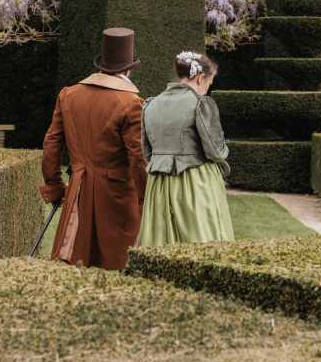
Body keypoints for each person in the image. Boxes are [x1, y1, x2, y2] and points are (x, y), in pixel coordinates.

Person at [40, 27, 147, 270]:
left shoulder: (68, 95)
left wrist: (55, 187)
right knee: (119, 266)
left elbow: (52, 145)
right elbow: (138, 158)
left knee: (75, 265)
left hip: (78, 191)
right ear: (128, 68)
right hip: (117, 198)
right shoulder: (131, 103)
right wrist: (146, 199)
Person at [138, 51, 234, 246]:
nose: (208, 88)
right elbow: (216, 151)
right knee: (203, 240)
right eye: (209, 82)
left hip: (158, 184)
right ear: (200, 78)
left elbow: (147, 152)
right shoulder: (201, 103)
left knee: (160, 242)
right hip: (195, 180)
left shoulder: (150, 105)